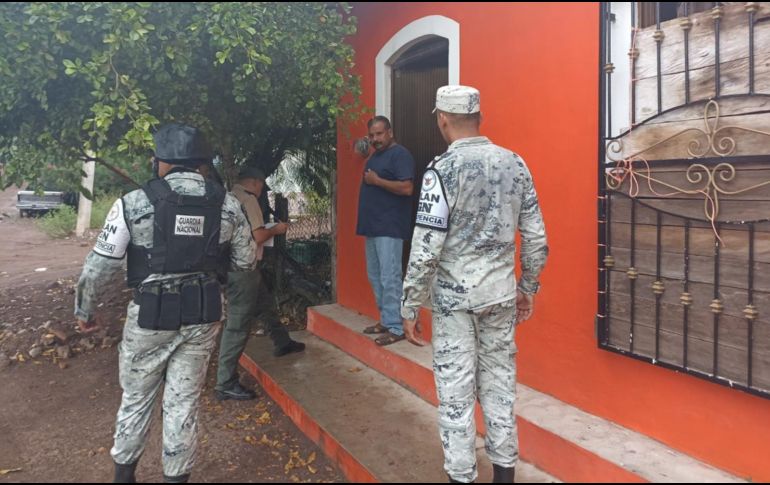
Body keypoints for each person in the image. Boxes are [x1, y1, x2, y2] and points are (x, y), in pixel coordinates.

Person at [74, 123, 257, 483]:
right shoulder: (229, 204)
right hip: (202, 317)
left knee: (137, 400)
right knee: (183, 403)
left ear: (160, 162)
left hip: (150, 318)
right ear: (203, 165)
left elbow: (99, 265)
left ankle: (124, 477)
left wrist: (84, 310)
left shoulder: (133, 203)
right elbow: (246, 261)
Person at [400, 86, 548, 483]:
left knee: (455, 396)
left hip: (454, 303)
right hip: (500, 296)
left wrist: (411, 303)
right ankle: (503, 477)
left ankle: (462, 477)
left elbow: (426, 246)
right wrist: (528, 286)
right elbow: (535, 237)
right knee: (500, 388)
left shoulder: (442, 171)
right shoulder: (515, 164)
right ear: (479, 118)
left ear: (442, 120)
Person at [215, 165, 305, 402]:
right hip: (243, 271)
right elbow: (258, 236)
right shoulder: (249, 200)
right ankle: (225, 382)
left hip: (233, 267)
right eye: (262, 185)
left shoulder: (227, 196)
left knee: (265, 306)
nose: (262, 189)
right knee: (237, 326)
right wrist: (278, 228)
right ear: (255, 182)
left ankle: (282, 342)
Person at [356, 115, 416, 346]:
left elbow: (407, 187)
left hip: (389, 226)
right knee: (375, 276)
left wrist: (377, 181)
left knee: (390, 277)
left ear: (390, 132)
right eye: (372, 135)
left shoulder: (400, 155)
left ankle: (396, 327)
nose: (375, 139)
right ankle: (386, 319)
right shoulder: (375, 155)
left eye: (379, 134)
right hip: (372, 226)